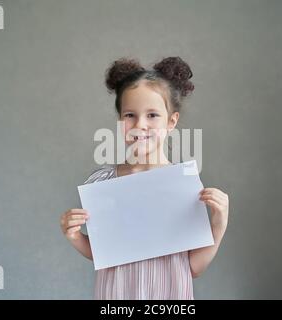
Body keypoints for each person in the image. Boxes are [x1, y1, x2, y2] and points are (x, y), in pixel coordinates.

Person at [60, 57, 229, 299]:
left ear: (171, 122)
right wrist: (75, 236)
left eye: (152, 115)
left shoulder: (183, 185)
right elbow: (104, 251)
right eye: (130, 115)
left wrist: (219, 223)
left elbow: (193, 267)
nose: (140, 124)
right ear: (121, 121)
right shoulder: (103, 183)